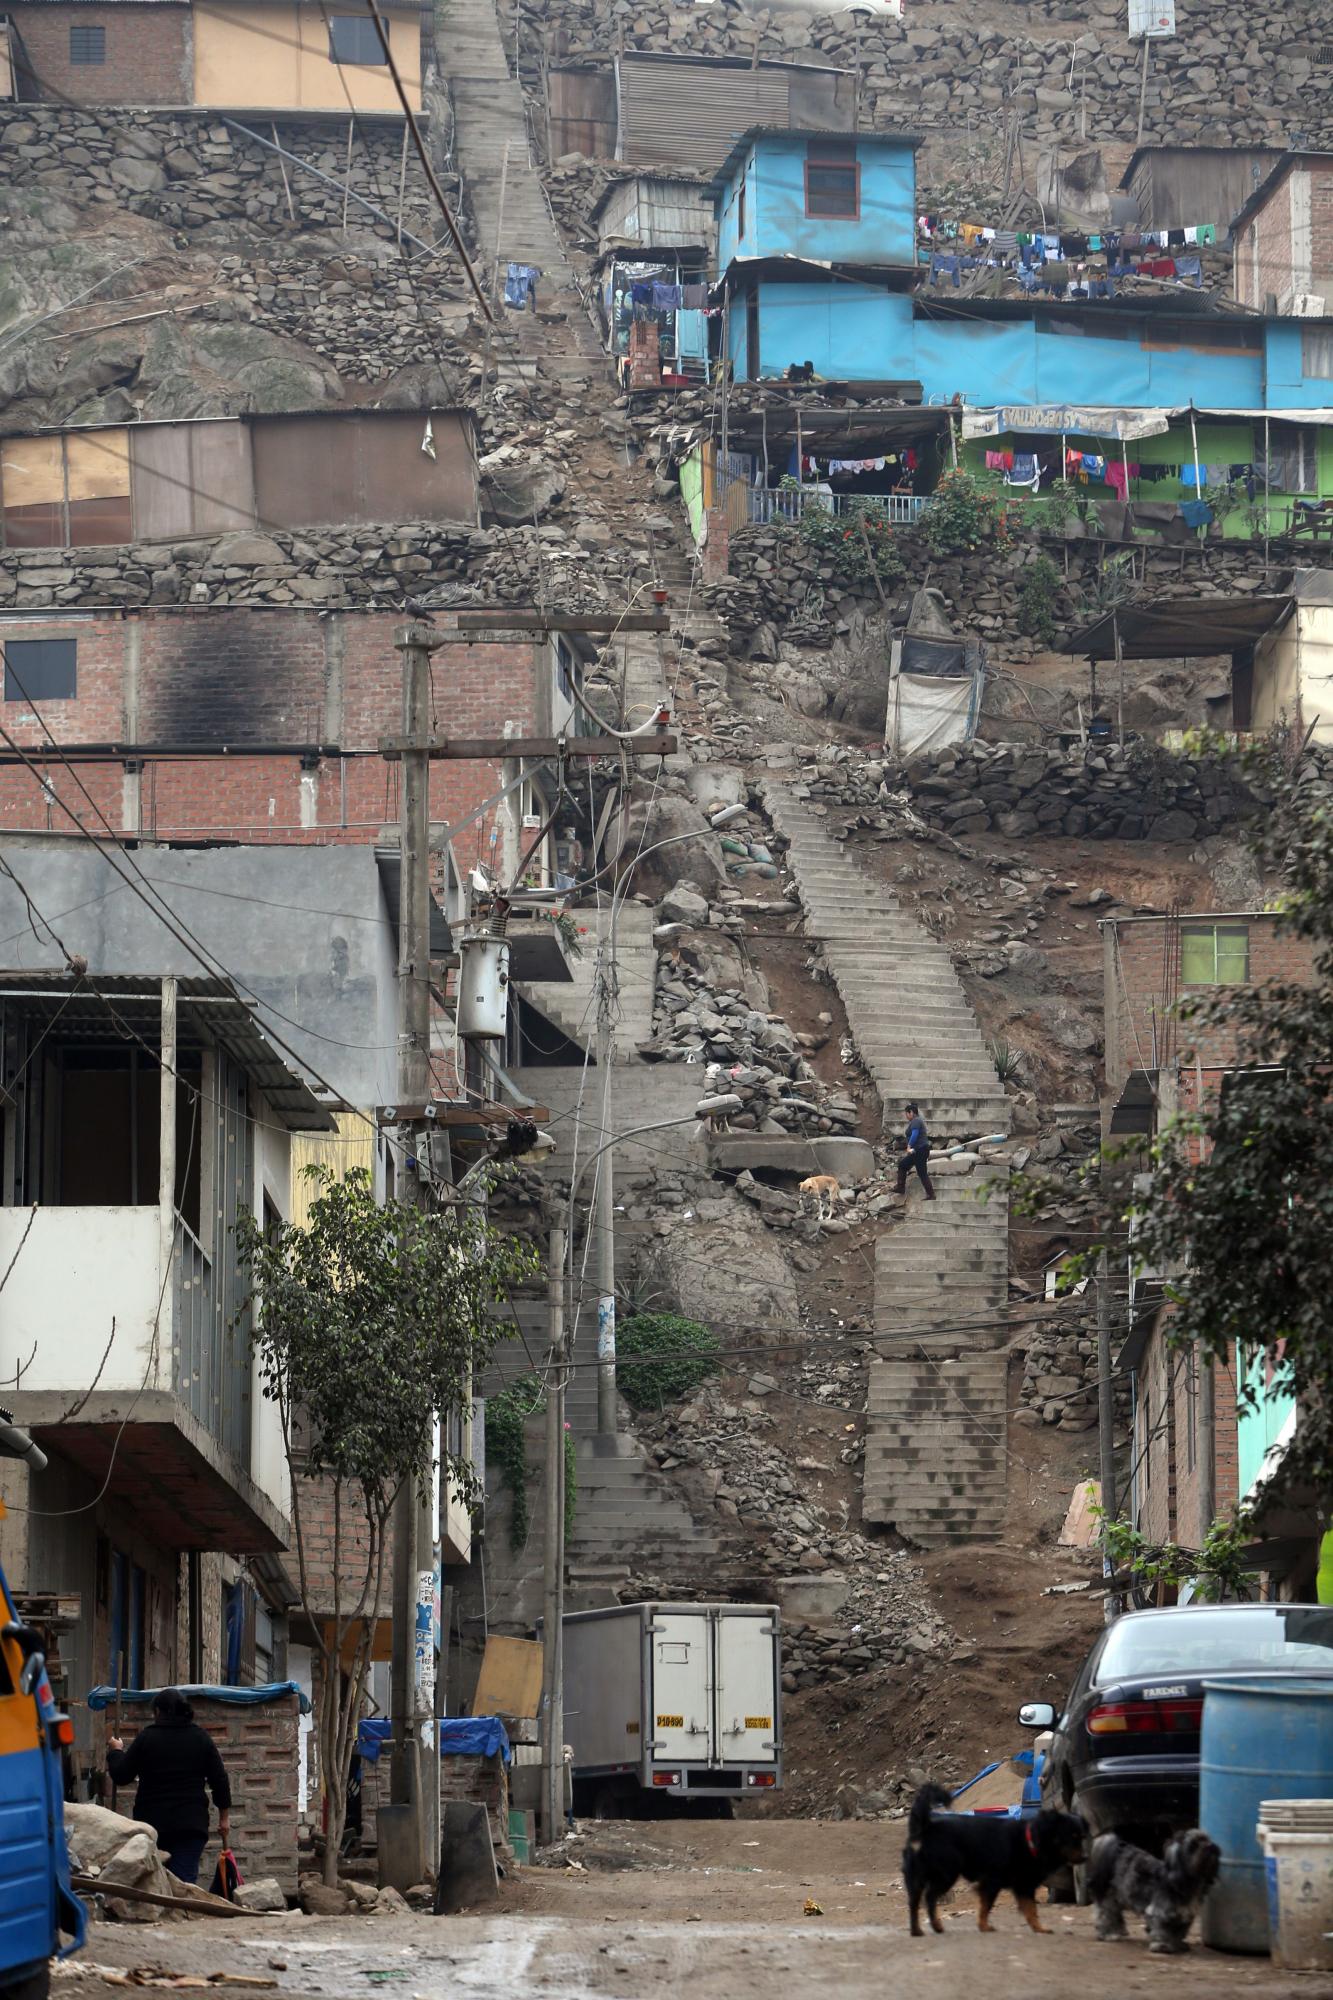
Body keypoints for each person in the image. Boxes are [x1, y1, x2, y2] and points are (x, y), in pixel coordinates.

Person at [106, 1689, 232, 1884]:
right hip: (190, 1826)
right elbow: (220, 1780)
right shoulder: (201, 1738)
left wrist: (116, 1752)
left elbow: (122, 1775)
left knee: (155, 1884)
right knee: (182, 1885)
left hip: (153, 1827)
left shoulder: (147, 1738)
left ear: (158, 1712)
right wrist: (224, 1818)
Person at [896, 1102, 936, 1201]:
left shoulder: (916, 1121)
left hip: (920, 1150)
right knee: (903, 1165)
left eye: (907, 1113)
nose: (906, 1116)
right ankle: (900, 1187)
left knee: (922, 1173)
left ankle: (931, 1195)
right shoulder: (916, 1121)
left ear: (911, 1112)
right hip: (917, 1151)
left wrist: (909, 1146)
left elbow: (914, 1134)